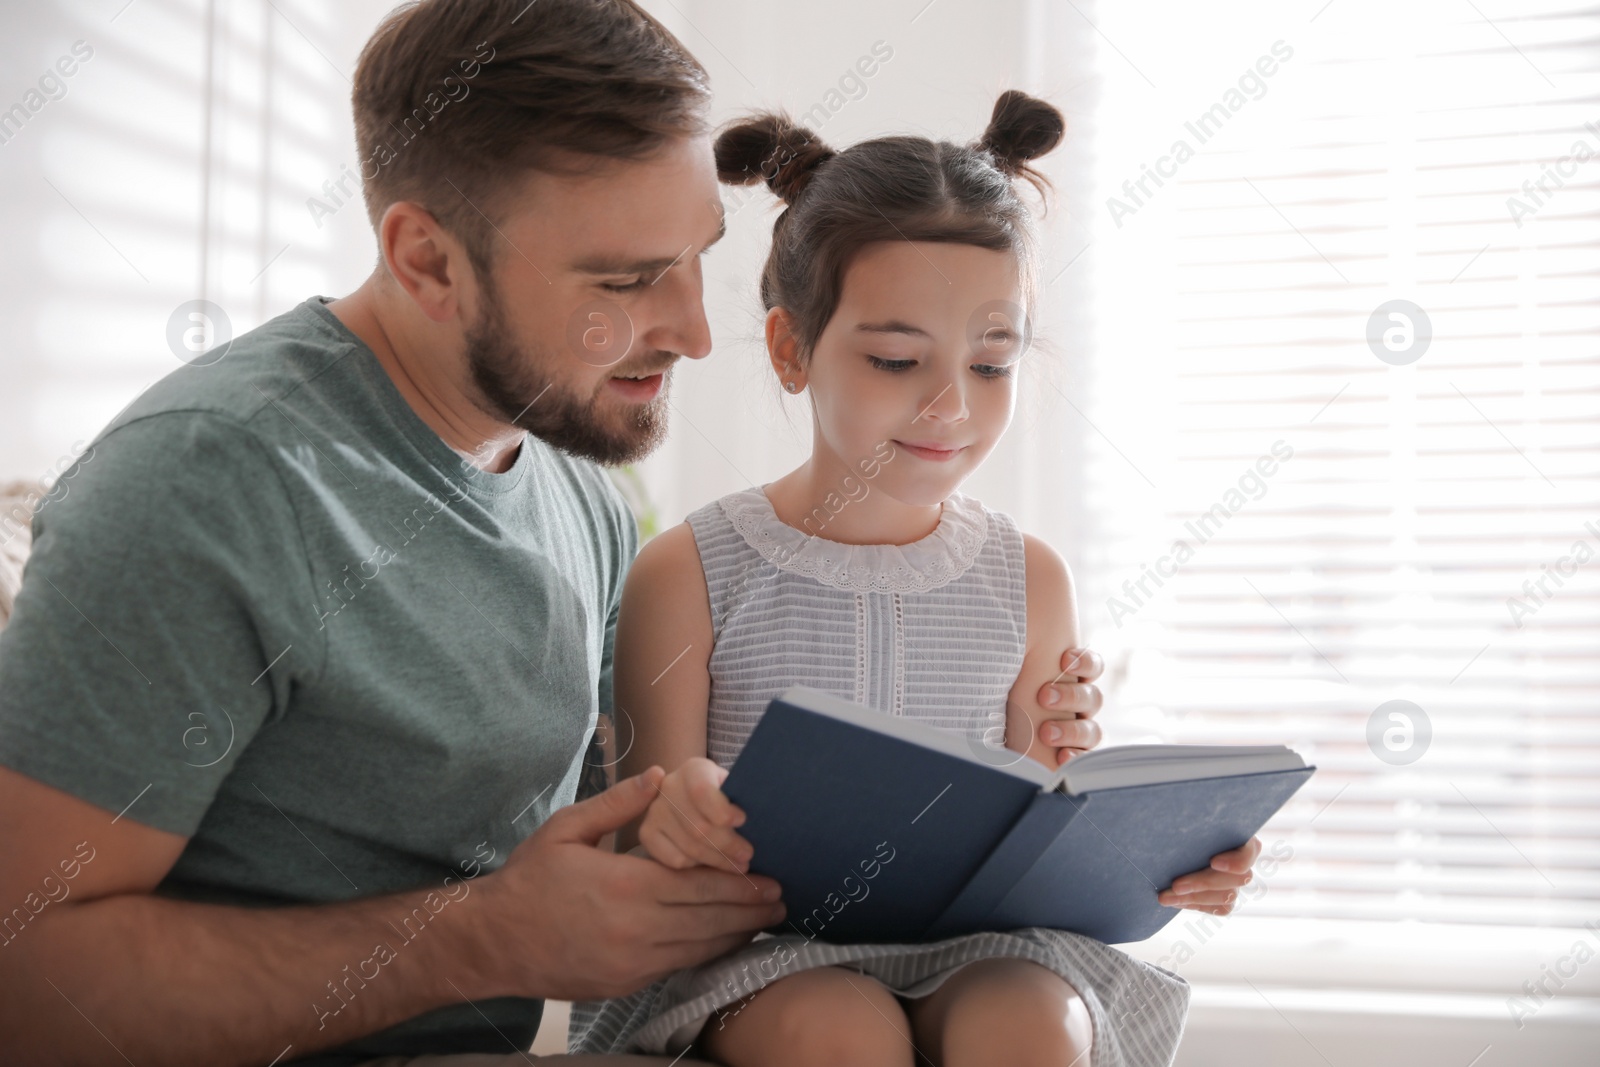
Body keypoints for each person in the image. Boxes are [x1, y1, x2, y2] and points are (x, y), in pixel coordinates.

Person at [0, 2, 1161, 1065]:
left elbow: (640, 846)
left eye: (699, 256)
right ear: (426, 261)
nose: (700, 333)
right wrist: (475, 941)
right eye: (628, 278)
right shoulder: (213, 482)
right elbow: (21, 976)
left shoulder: (579, 492)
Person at [565, 93, 1257, 1067]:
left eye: (991, 361)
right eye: (896, 357)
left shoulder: (1029, 576)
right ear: (791, 348)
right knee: (839, 1029)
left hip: (979, 954)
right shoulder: (690, 568)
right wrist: (678, 815)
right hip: (755, 959)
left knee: (1031, 1024)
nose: (949, 405)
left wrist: (1163, 856)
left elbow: (1026, 856)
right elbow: (633, 856)